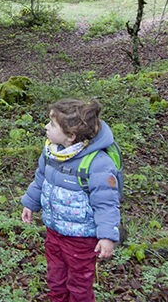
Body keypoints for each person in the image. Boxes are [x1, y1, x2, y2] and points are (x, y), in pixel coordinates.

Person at [21, 98, 122, 302]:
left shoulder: (98, 164)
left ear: (71, 136)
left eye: (52, 124)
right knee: (55, 279)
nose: (46, 127)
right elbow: (41, 177)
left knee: (79, 284)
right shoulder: (51, 151)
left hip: (81, 239)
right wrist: (30, 203)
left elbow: (106, 203)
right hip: (54, 231)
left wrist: (107, 236)